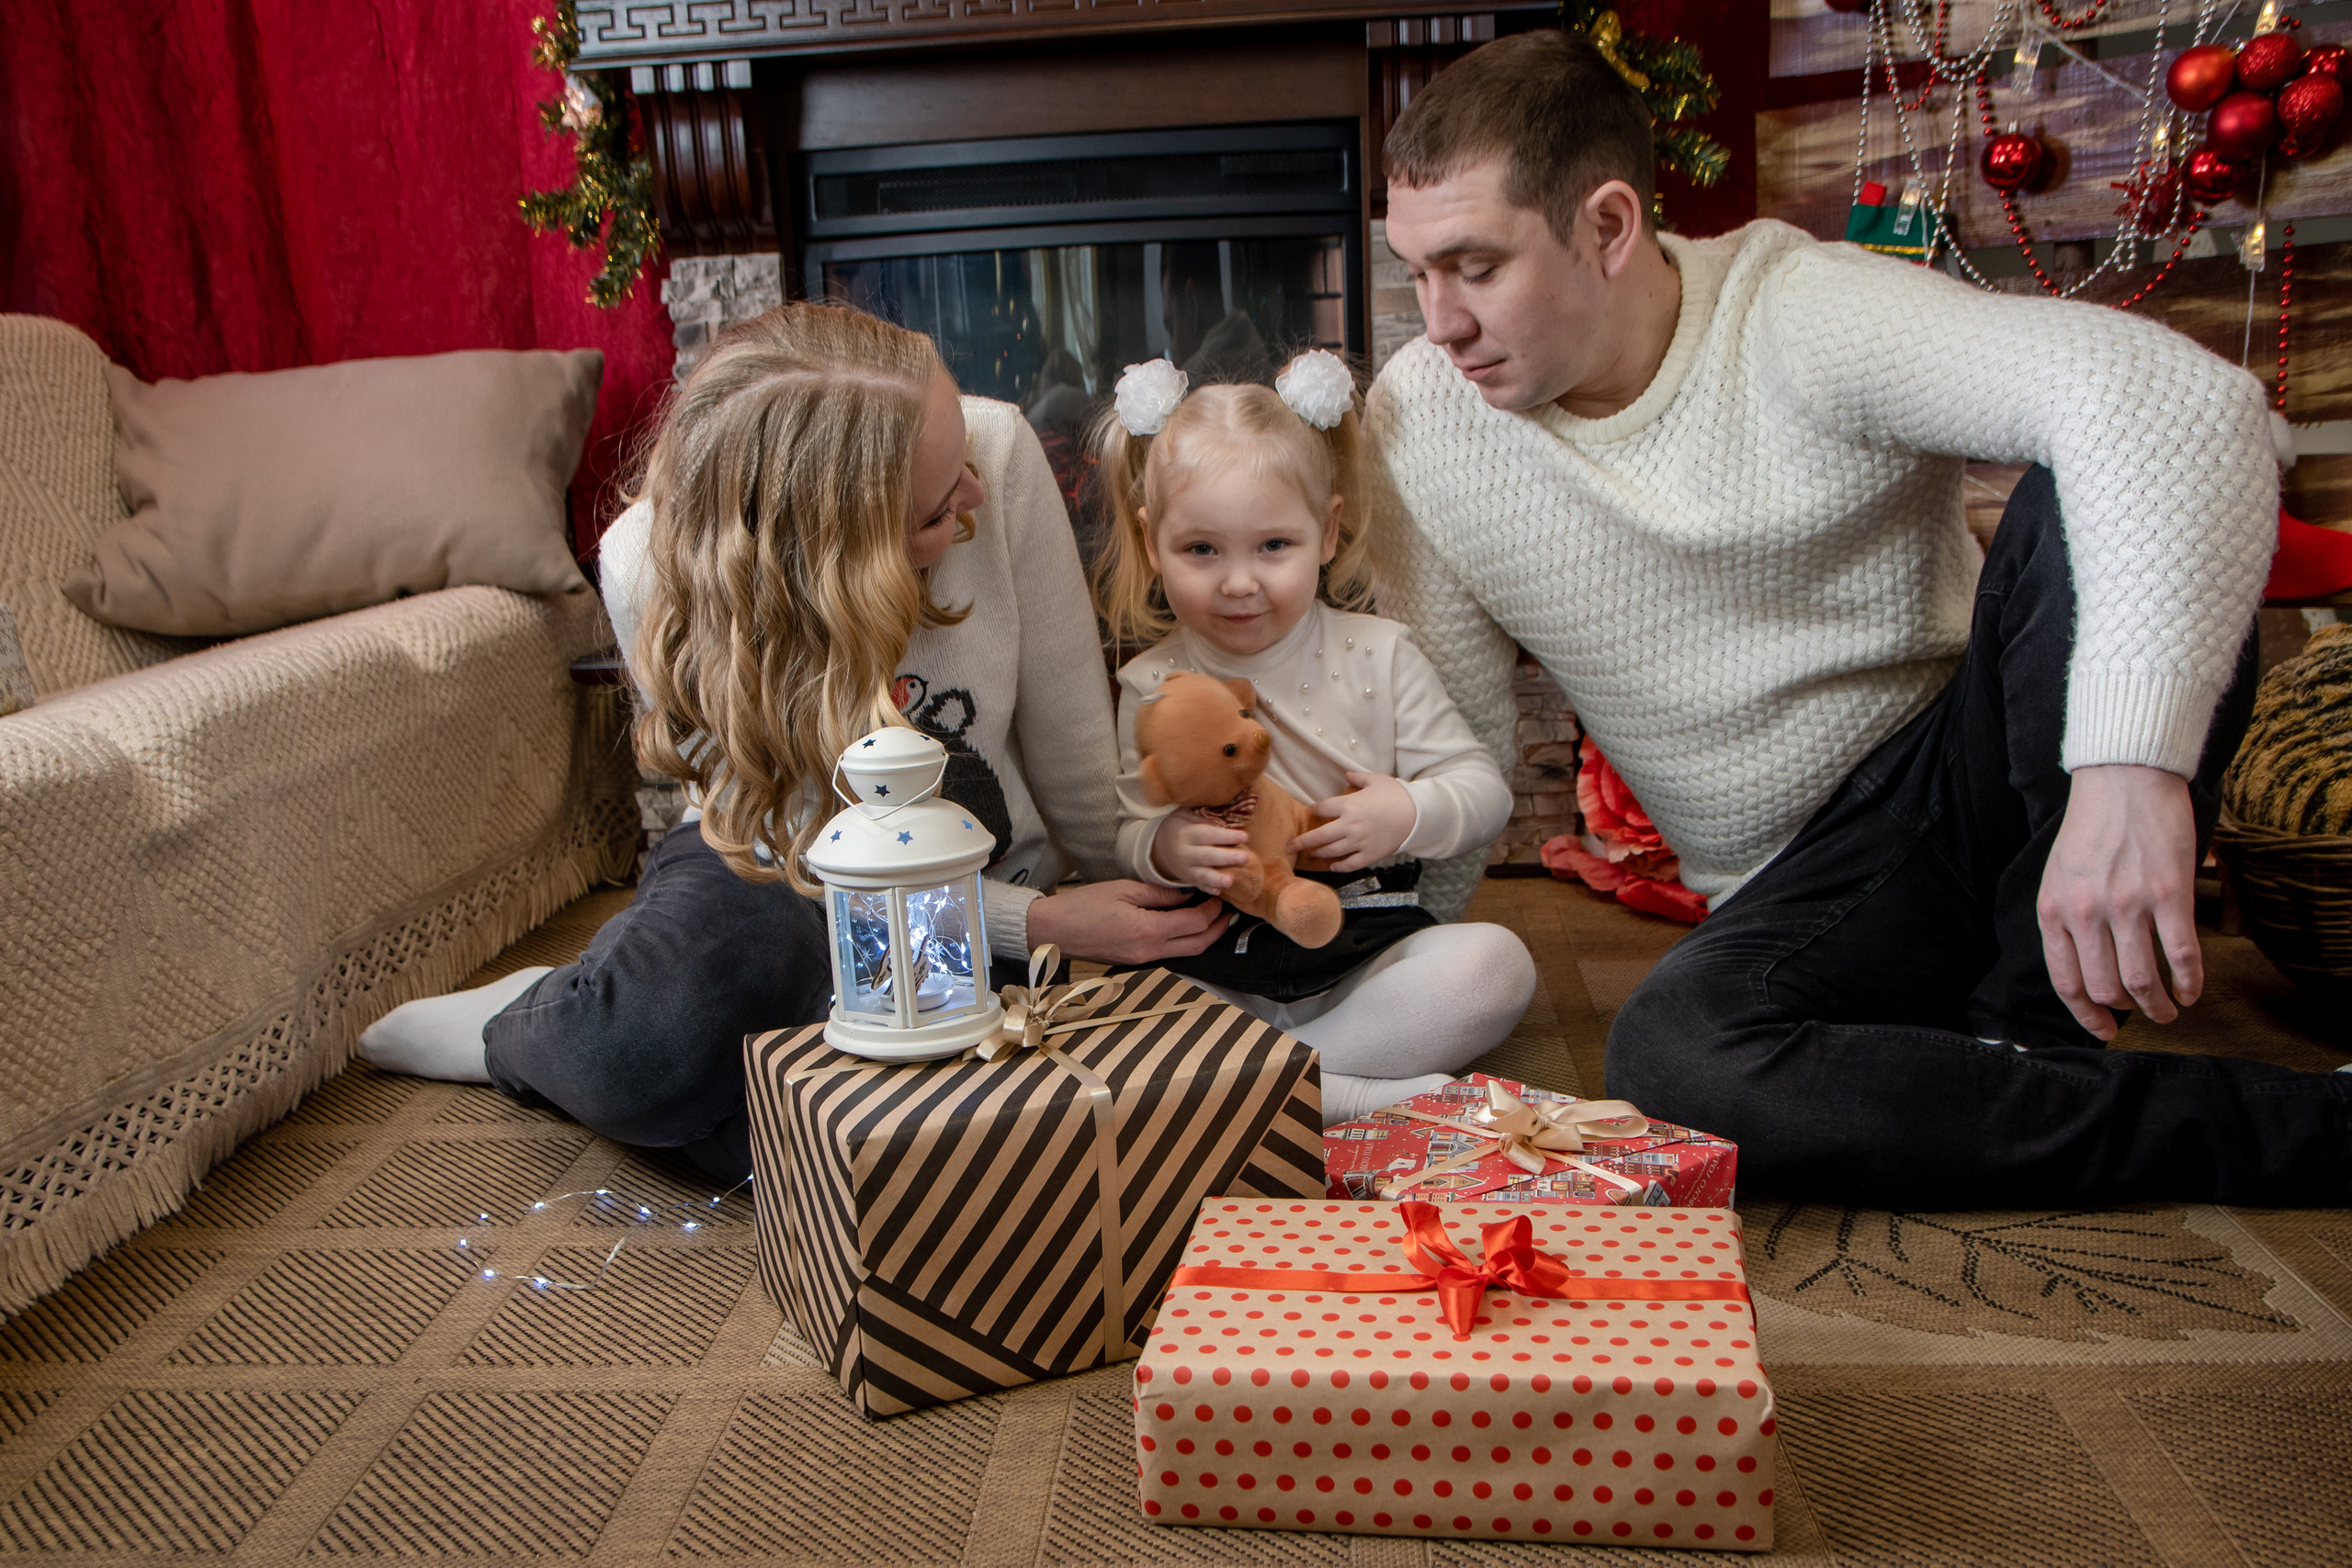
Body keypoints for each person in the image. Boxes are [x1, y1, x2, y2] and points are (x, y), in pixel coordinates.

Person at [1368, 30, 2348, 1207]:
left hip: (1975, 779)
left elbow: (2185, 403)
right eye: (1415, 273)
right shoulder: (1421, 420)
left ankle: (2027, 1033)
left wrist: (2127, 771)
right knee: (1673, 1059)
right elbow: (1454, 733)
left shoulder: (1797, 311)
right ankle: (2205, 1105)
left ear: (1609, 226)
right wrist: (1362, 970)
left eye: (1474, 268)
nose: (1439, 321)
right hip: (1798, 898)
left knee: (2097, 491)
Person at [358, 303, 1230, 1179]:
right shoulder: (648, 564)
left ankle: (674, 1026)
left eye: (962, 454)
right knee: (657, 1049)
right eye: (935, 510)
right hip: (774, 866)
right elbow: (797, 847)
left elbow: (1077, 755)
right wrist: (1034, 923)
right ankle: (526, 1023)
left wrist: (1123, 899)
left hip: (988, 889)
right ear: (836, 556)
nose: (972, 493)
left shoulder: (997, 452)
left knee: (878, 1133)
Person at [1093, 350, 1534, 1125]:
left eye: (1273, 546)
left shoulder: (1381, 652)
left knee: (1496, 966)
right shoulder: (1151, 683)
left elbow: (1483, 792)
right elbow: (1125, 828)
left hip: (1362, 950)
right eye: (1201, 549)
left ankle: (1269, 1089)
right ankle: (1344, 1094)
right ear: (1152, 541)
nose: (1238, 581)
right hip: (1218, 959)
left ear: (1327, 532)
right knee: (1103, 1003)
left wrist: (1405, 812)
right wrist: (1163, 846)